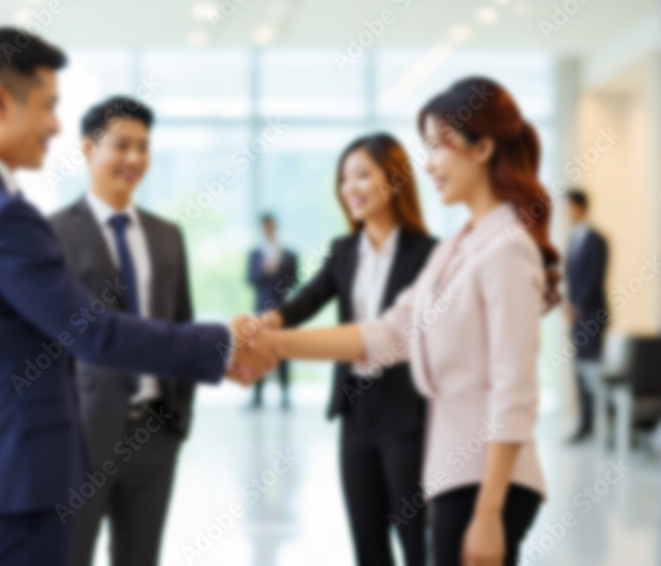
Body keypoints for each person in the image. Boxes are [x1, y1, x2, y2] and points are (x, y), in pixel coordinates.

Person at [0, 28, 273, 566]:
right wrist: (221, 345)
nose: (56, 124)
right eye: (49, 106)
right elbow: (95, 333)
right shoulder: (6, 216)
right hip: (16, 485)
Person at [258, 77, 557, 566]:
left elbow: (515, 388)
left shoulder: (505, 247)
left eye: (439, 148)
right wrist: (276, 345)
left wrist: (489, 510)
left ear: (482, 148)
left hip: (485, 480)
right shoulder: (455, 246)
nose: (430, 165)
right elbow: (387, 334)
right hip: (453, 473)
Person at [263, 133, 435, 566]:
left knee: (417, 543)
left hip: (405, 413)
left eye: (362, 175)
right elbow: (306, 300)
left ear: (394, 180)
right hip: (354, 412)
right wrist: (267, 324)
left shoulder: (428, 255)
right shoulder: (344, 251)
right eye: (344, 179)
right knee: (368, 545)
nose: (350, 188)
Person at [48, 96, 195, 566]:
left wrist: (178, 416)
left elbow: (181, 327)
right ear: (88, 149)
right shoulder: (51, 234)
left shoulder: (166, 234)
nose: (134, 159)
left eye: (144, 148)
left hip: (155, 433)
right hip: (78, 439)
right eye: (122, 146)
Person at [562, 188, 608, 443]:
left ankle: (597, 423)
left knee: (592, 369)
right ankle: (584, 423)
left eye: (569, 206)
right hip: (577, 316)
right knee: (579, 370)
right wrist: (569, 305)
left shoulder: (597, 240)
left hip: (592, 315)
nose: (567, 212)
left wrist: (578, 304)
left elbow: (594, 277)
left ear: (580, 207)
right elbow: (573, 278)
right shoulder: (573, 239)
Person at [247, 214, 297, 408]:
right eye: (263, 226)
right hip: (260, 309)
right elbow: (250, 278)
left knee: (283, 350)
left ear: (274, 227)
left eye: (269, 226)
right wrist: (264, 270)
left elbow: (294, 281)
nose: (267, 229)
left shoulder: (288, 255)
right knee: (257, 350)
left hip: (282, 309)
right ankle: (257, 396)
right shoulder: (255, 255)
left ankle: (285, 395)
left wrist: (279, 270)